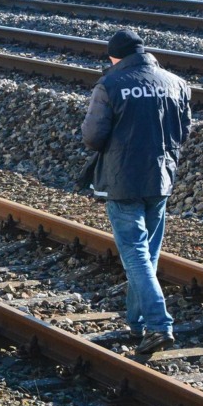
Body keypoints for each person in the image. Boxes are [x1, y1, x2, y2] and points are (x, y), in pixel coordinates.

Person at [81, 29, 192, 354]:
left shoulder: (110, 85)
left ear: (114, 57)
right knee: (147, 255)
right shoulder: (176, 83)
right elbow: (182, 131)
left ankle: (158, 325)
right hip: (160, 178)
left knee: (134, 254)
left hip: (123, 180)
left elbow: (92, 136)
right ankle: (137, 323)